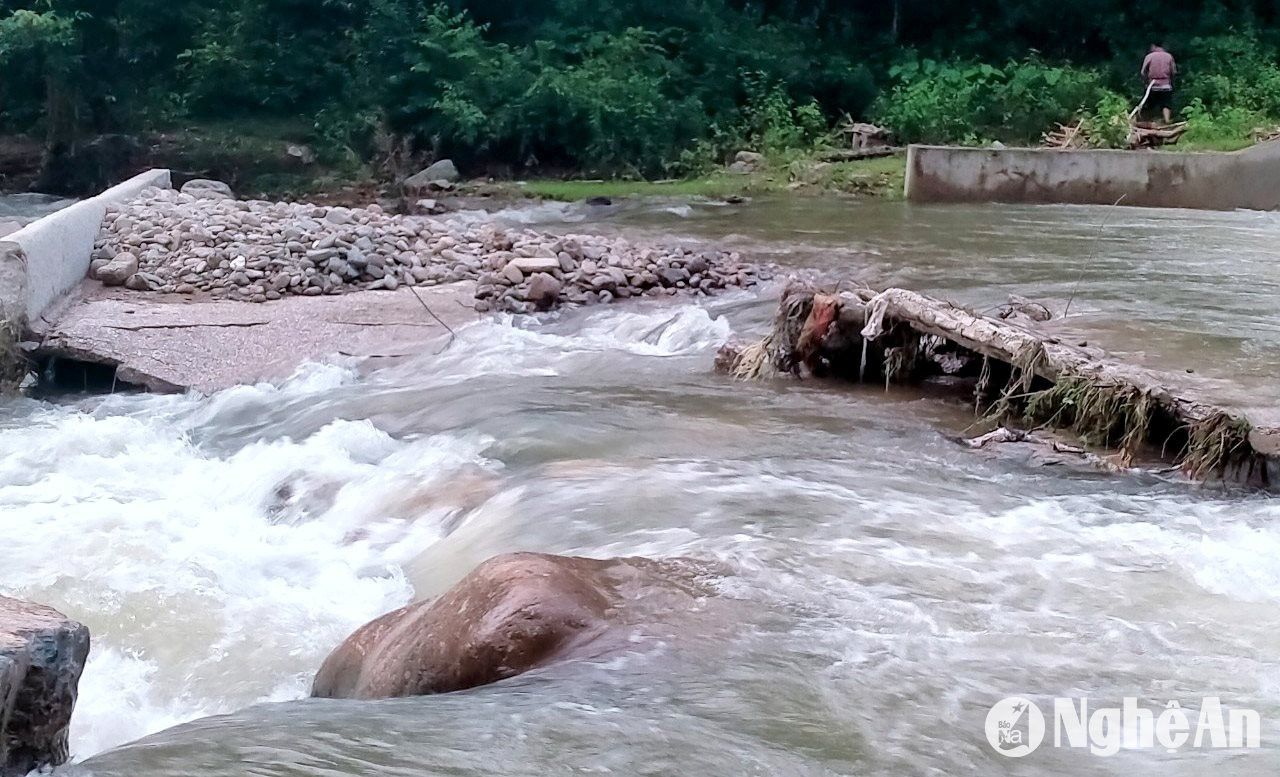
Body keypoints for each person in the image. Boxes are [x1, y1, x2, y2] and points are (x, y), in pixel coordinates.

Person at [1141, 44, 1178, 124]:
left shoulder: (1149, 56)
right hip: (1166, 85)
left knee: (1149, 105)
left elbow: (1143, 72)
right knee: (1166, 104)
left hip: (1152, 85)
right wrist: (1172, 81)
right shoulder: (1169, 56)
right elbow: (1174, 71)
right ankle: (1167, 120)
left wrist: (1146, 81)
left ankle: (1148, 122)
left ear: (1154, 46)